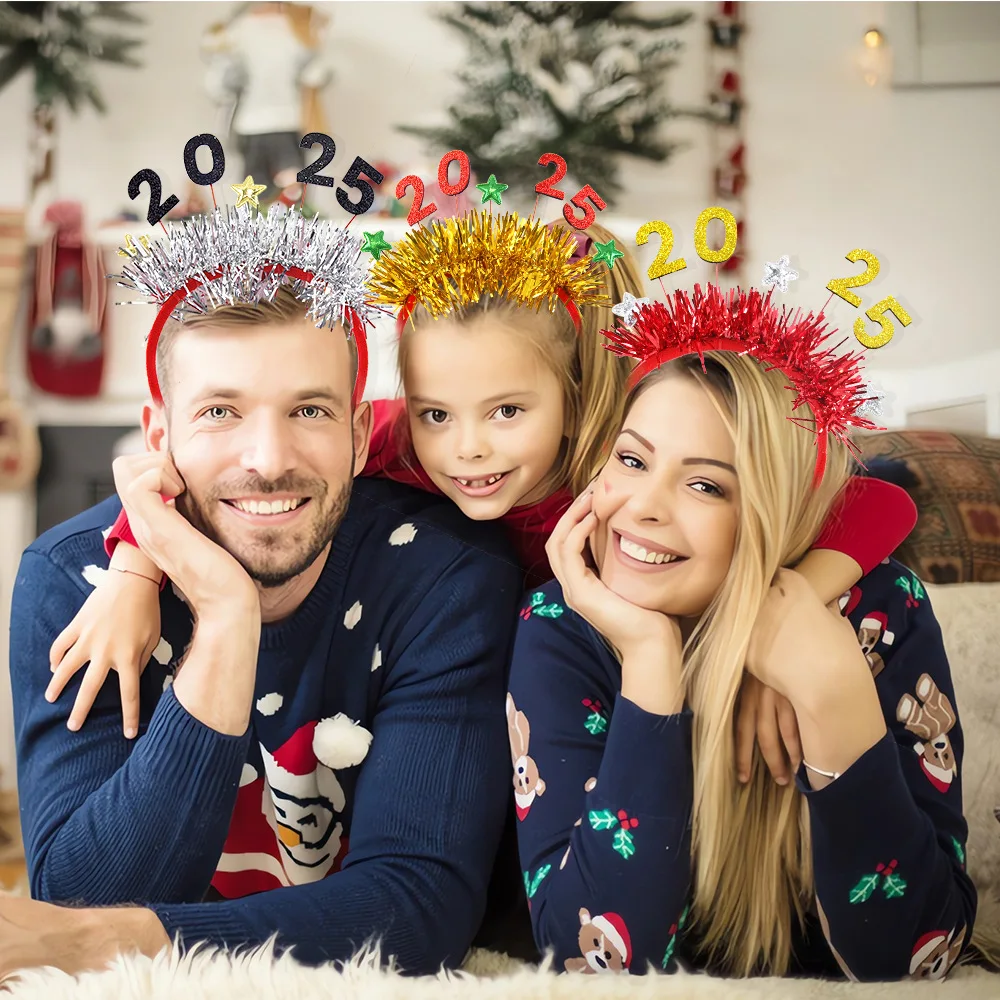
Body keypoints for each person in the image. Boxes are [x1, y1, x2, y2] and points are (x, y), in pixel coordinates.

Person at [50, 212, 915, 796]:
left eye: (507, 413)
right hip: (491, 709)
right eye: (437, 412)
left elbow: (881, 499)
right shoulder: (387, 441)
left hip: (633, 695)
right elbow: (186, 471)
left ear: (575, 393)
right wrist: (132, 568)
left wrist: (787, 612)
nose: (466, 448)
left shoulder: (626, 470)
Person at [5, 208, 524, 981]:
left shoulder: (444, 576)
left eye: (308, 411)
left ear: (357, 434)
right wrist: (225, 621)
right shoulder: (72, 578)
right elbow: (83, 892)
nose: (268, 458)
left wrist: (130, 942)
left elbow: (419, 907)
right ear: (159, 438)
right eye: (220, 411)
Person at [508, 285, 975, 981]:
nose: (644, 507)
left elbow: (914, 961)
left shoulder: (881, 613)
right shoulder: (562, 626)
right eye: (632, 461)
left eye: (706, 486)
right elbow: (597, 960)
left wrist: (831, 689)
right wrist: (649, 661)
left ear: (773, 513)